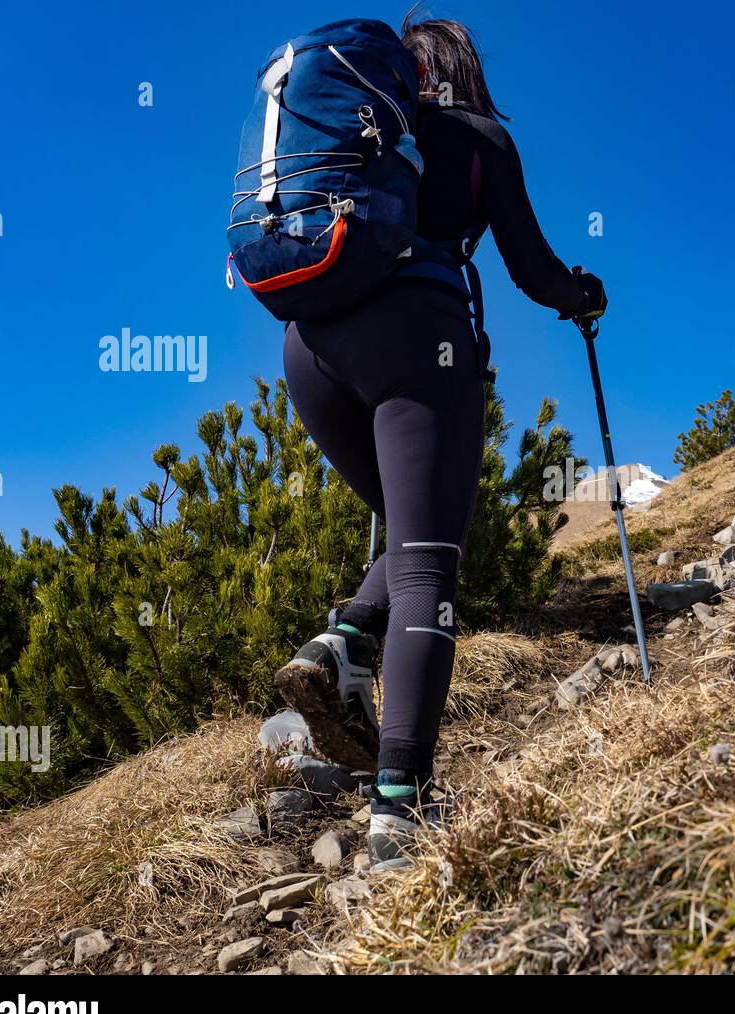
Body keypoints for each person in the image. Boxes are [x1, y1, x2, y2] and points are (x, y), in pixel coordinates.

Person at [274, 13, 607, 861]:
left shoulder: (354, 136)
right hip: (418, 337)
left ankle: (341, 643)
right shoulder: (476, 136)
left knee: (408, 522)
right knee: (428, 560)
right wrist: (583, 296)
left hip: (308, 346)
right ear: (461, 68)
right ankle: (399, 808)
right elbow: (531, 268)